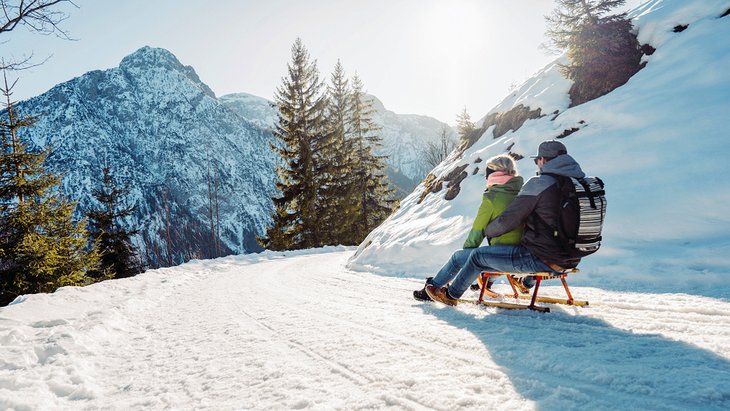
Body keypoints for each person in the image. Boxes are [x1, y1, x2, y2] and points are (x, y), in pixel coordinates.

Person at [425, 140, 586, 306]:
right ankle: (525, 282)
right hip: (571, 258)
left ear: (543, 160)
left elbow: (507, 221)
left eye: (536, 160)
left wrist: (489, 231)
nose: (537, 164)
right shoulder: (577, 186)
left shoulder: (538, 185)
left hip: (540, 259)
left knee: (477, 256)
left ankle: (451, 295)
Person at [413, 154, 524, 301]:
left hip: (504, 256)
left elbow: (478, 231)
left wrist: (466, 256)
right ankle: (487, 282)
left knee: (458, 258)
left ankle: (433, 288)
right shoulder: (522, 192)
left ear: (494, 174)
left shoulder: (493, 196)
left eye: (488, 172)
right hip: (522, 253)